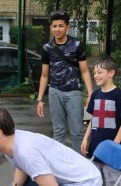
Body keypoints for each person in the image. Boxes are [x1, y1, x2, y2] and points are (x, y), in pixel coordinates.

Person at [81, 57, 121, 186]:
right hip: (95, 147)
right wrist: (86, 138)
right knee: (96, 180)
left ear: (111, 73)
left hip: (111, 151)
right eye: (94, 73)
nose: (95, 75)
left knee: (113, 181)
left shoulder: (118, 95)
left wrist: (114, 145)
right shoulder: (95, 94)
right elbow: (93, 119)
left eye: (99, 72)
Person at [36, 10, 93, 154]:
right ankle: (60, 166)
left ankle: (80, 168)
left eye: (61, 26)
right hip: (55, 92)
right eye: (54, 26)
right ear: (50, 28)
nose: (57, 29)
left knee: (77, 132)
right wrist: (40, 99)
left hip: (74, 92)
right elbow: (44, 75)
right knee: (58, 132)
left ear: (67, 27)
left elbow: (85, 71)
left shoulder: (77, 45)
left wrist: (90, 93)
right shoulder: (47, 48)